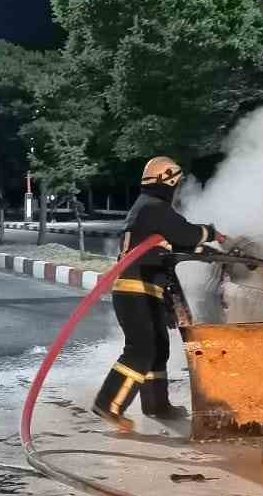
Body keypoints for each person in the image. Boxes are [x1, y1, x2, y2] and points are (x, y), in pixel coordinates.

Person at [92, 156, 224, 431]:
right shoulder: (155, 208)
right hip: (136, 291)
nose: (177, 191)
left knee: (157, 349)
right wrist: (211, 233)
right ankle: (108, 403)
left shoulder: (147, 209)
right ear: (169, 182)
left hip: (144, 291)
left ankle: (157, 405)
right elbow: (186, 235)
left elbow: (176, 245)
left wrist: (210, 254)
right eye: (176, 185)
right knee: (141, 350)